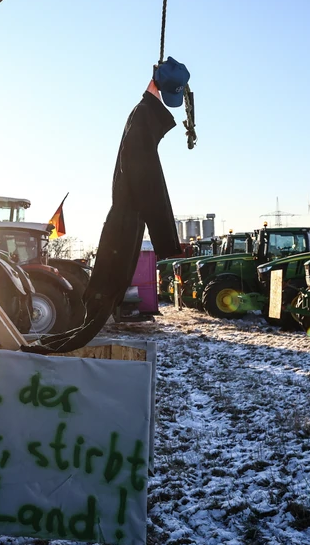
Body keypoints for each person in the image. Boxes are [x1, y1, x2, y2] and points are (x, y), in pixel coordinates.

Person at [27, 57, 190, 354]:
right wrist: (167, 240)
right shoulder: (142, 122)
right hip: (126, 221)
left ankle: (60, 343)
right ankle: (58, 346)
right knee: (107, 288)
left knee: (108, 288)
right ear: (157, 86)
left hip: (127, 217)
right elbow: (150, 183)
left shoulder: (139, 118)